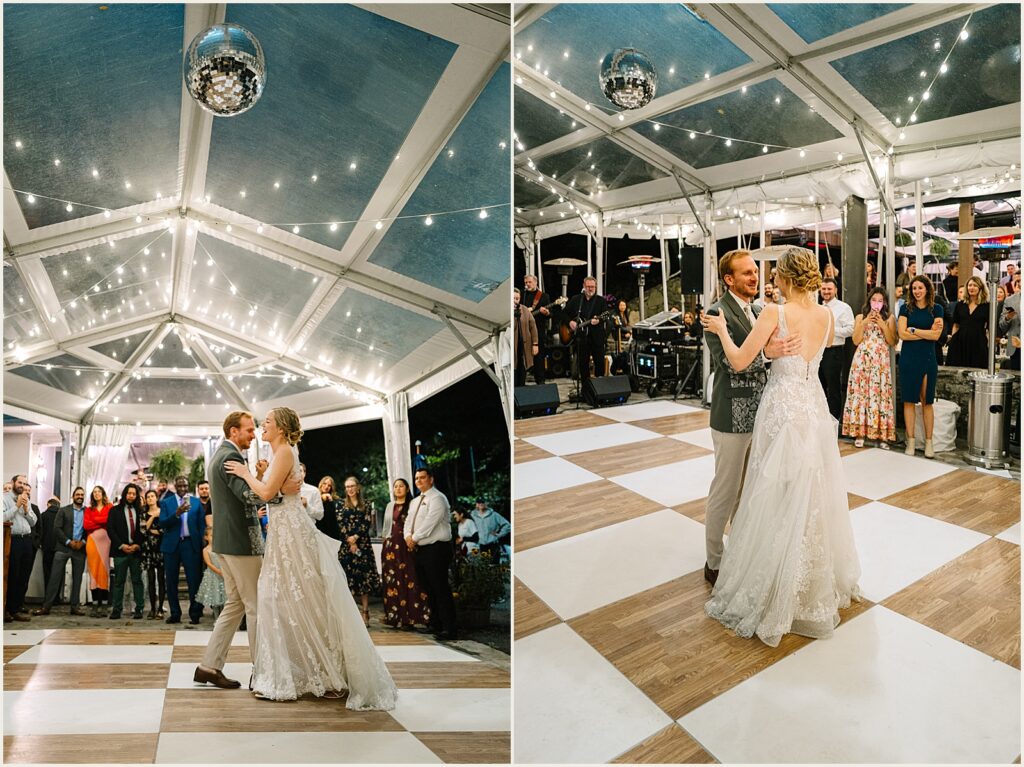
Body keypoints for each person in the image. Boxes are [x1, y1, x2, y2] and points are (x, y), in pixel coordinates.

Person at [702, 245, 861, 647]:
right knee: (809, 493)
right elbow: (813, 352)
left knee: (770, 494)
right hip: (813, 406)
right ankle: (808, 581)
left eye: (773, 274)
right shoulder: (827, 316)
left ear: (786, 277)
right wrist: (771, 352)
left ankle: (773, 578)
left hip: (780, 409)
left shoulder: (775, 312)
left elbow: (739, 361)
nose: (767, 278)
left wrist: (722, 331)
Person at [223, 407, 397, 707]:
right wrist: (265, 476)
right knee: (282, 599)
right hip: (282, 533)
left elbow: (266, 494)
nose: (263, 427)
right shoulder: (281, 453)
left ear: (281, 428)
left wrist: (247, 474)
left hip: (292, 535)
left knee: (303, 599)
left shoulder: (285, 452)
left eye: (267, 422)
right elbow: (276, 491)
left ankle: (330, 675)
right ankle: (294, 673)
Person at [700, 249, 800, 586]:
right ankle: (714, 561)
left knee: (748, 491)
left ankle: (740, 554)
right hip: (731, 414)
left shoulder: (758, 310)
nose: (754, 277)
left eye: (755, 271)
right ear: (729, 279)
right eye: (746, 273)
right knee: (725, 490)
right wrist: (769, 354)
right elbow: (729, 364)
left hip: (761, 413)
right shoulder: (716, 313)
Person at [194, 410, 299, 691]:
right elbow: (250, 496)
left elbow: (240, 493)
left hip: (225, 542)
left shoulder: (220, 455)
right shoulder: (231, 457)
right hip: (241, 542)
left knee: (235, 604)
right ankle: (261, 670)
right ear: (233, 431)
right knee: (255, 606)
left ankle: (208, 666)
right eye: (249, 430)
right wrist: (281, 491)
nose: (254, 435)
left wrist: (260, 477)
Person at [407, 466, 458, 640]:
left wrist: (414, 538)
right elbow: (409, 521)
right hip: (421, 549)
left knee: (440, 587)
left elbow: (430, 522)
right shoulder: (415, 501)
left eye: (422, 477)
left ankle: (449, 628)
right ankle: (436, 624)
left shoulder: (438, 498)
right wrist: (407, 536)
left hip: (437, 548)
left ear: (431, 479)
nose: (419, 481)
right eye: (416, 478)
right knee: (428, 587)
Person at [843, 288, 897, 449]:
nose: (876, 303)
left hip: (880, 362)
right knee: (861, 394)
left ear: (884, 303)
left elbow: (892, 341)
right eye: (874, 300)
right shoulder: (860, 317)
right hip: (862, 361)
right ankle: (859, 432)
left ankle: (882, 435)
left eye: (880, 301)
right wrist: (865, 322)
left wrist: (882, 324)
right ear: (869, 301)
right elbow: (855, 340)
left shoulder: (890, 318)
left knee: (880, 395)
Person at [898, 275, 944, 458]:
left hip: (928, 358)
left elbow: (936, 336)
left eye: (920, 288)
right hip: (908, 358)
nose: (917, 291)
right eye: (914, 288)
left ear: (927, 289)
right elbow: (902, 334)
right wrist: (926, 333)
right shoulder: (905, 308)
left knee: (927, 401)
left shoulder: (937, 309)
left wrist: (914, 330)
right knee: (909, 400)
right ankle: (910, 441)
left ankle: (929, 443)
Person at [380, 478, 431, 630]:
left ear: (407, 488)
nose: (398, 488)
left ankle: (412, 618)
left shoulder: (413, 504)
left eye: (401, 486)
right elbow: (386, 528)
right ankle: (395, 617)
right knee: (393, 580)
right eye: (395, 486)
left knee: (410, 578)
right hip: (391, 547)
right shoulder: (390, 506)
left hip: (407, 545)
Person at [33, 487, 88, 616]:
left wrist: (83, 542)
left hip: (80, 549)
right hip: (63, 547)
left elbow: (90, 529)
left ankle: (75, 607)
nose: (80, 496)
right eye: (77, 494)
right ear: (73, 496)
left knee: (77, 578)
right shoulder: (63, 510)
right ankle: (46, 607)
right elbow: (56, 528)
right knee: (54, 577)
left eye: (82, 495)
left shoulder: (88, 512)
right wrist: (68, 542)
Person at [335, 475, 381, 626]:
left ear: (358, 487)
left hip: (363, 545)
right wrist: (350, 540)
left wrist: (355, 537)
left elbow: (366, 523)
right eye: (347, 487)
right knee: (348, 579)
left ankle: (365, 612)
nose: (350, 489)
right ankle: (351, 616)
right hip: (346, 546)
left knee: (363, 579)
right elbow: (340, 523)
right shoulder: (340, 504)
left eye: (352, 486)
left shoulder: (366, 504)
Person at [159, 476, 205, 624]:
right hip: (172, 545)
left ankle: (195, 613)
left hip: (190, 544)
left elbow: (201, 526)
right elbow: (162, 523)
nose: (183, 489)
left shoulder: (196, 502)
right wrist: (177, 513)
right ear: (175, 486)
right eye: (180, 486)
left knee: (194, 580)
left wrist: (202, 545)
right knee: (171, 581)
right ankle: (175, 613)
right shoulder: (166, 503)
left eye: (185, 486)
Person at [107, 482, 146, 620]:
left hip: (136, 551)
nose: (131, 496)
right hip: (120, 551)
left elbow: (143, 530)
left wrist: (137, 545)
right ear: (125, 494)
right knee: (119, 582)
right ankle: (117, 609)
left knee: (137, 581)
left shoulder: (141, 511)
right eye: (129, 493)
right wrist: (121, 545)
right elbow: (110, 529)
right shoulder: (114, 510)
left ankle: (139, 608)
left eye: (134, 494)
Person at [818, 277, 855, 421]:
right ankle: (821, 421)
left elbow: (851, 329)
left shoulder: (843, 308)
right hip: (818, 351)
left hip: (834, 352)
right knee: (819, 387)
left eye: (829, 289)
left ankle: (834, 421)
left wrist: (831, 330)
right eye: (824, 289)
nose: (826, 291)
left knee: (833, 388)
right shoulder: (817, 307)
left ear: (835, 290)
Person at [3, 475, 38, 622]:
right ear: (13, 483)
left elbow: (33, 522)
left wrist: (25, 509)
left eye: (24, 483)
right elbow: (3, 518)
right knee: (13, 576)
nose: (22, 485)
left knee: (23, 576)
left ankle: (16, 609)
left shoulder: (26, 500)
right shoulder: (4, 498)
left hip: (26, 540)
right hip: (13, 540)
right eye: (19, 482)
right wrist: (16, 506)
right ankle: (6, 609)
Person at [564, 276, 609, 381]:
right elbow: (564, 314)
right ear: (584, 286)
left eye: (592, 287)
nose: (590, 289)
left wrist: (599, 320)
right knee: (583, 364)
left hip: (596, 337)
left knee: (599, 362)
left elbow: (606, 316)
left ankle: (599, 386)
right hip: (581, 338)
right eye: (588, 286)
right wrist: (570, 322)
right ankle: (585, 387)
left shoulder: (601, 301)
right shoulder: (576, 299)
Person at [945, 276, 990, 369]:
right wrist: (953, 340)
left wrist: (988, 342)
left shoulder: (987, 306)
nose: (971, 288)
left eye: (975, 285)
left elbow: (989, 328)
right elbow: (956, 324)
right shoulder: (960, 305)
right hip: (960, 341)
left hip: (978, 341)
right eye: (970, 285)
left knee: (977, 369)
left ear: (980, 288)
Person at [84, 485, 112, 617]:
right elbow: (86, 525)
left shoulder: (109, 507)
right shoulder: (89, 509)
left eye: (99, 491)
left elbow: (110, 521)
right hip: (92, 542)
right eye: (94, 492)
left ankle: (104, 603)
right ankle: (95, 603)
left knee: (104, 571)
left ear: (103, 493)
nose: (96, 494)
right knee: (93, 571)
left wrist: (95, 520)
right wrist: (102, 522)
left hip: (106, 542)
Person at [522, 274, 552, 384]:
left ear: (536, 282)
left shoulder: (543, 296)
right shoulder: (522, 295)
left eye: (529, 282)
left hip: (538, 330)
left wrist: (546, 312)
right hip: (524, 330)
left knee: (539, 357)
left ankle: (540, 381)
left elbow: (550, 314)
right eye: (526, 282)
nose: (527, 284)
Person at [140, 489, 166, 618]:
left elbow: (165, 529)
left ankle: (160, 608)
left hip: (161, 549)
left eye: (152, 496)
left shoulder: (163, 512)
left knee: (161, 579)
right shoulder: (143, 514)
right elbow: (143, 530)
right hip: (148, 549)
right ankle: (152, 608)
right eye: (148, 497)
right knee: (151, 580)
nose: (150, 498)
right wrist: (153, 517)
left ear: (156, 498)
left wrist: (156, 531)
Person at [33, 495, 62, 603]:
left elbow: (40, 530)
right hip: (60, 547)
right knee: (58, 573)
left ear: (48, 505)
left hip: (47, 547)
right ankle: (56, 598)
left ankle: (48, 597)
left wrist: (40, 543)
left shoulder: (43, 515)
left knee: (47, 572)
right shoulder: (62, 514)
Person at [196, 530, 226, 619]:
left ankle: (223, 619)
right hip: (213, 576)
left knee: (224, 597)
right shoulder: (206, 550)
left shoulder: (221, 548)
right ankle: (216, 618)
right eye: (212, 536)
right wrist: (219, 571)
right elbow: (208, 563)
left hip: (223, 574)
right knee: (215, 597)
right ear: (206, 537)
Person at [513, 288, 540, 387]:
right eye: (513, 298)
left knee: (523, 367)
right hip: (513, 345)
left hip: (524, 345)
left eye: (517, 298)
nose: (515, 301)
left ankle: (521, 386)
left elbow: (533, 327)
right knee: (514, 368)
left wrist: (535, 343)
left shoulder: (524, 310)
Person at [471, 497, 510, 563]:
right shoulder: (472, 516)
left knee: (494, 565)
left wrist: (499, 534)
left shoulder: (494, 515)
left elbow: (507, 525)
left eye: (483, 502)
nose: (481, 504)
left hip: (493, 544)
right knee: (482, 565)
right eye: (479, 502)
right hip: (479, 545)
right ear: (476, 504)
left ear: (486, 503)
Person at [999, 276, 1021, 370]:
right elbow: (1002, 326)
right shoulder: (1009, 300)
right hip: (1016, 348)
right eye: (1019, 281)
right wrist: (1007, 318)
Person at [315, 475, 343, 540]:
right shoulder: (315, 497)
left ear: (331, 488)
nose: (326, 486)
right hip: (317, 532)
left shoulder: (335, 500)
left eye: (329, 485)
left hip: (331, 533)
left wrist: (330, 500)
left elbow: (333, 518)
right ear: (321, 484)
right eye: (324, 483)